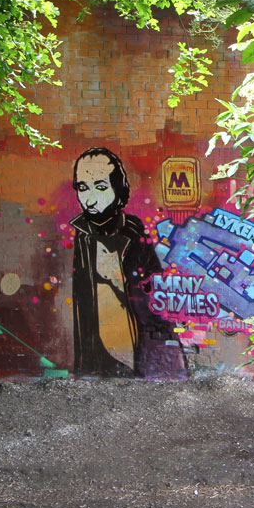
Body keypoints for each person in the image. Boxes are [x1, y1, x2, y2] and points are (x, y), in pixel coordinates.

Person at [69, 147, 183, 377]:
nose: (89, 199)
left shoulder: (132, 236)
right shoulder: (80, 236)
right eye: (83, 187)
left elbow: (150, 301)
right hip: (94, 355)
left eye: (101, 187)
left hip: (133, 353)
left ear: (117, 189)